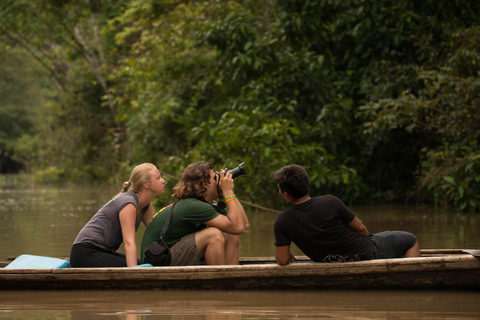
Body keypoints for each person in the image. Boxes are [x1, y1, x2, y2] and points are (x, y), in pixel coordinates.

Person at [272, 164, 421, 265]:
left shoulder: (283, 221)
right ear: (307, 185)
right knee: (410, 239)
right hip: (366, 253)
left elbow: (282, 260)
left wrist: (287, 254)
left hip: (328, 262)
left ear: (285, 195)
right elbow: (362, 229)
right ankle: (412, 279)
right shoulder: (330, 201)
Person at [140, 161, 249, 266]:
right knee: (213, 234)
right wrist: (227, 191)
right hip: (156, 260)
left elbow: (243, 225)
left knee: (230, 234)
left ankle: (231, 278)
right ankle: (218, 283)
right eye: (215, 178)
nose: (220, 180)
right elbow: (238, 227)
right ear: (205, 184)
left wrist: (230, 191)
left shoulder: (208, 205)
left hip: (167, 255)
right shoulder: (193, 206)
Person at [70, 163, 166, 267]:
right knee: (138, 268)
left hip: (104, 252)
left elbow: (157, 231)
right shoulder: (129, 203)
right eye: (158, 178)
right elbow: (128, 243)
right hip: (85, 253)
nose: (163, 180)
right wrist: (135, 275)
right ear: (145, 184)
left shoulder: (145, 204)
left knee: (145, 265)